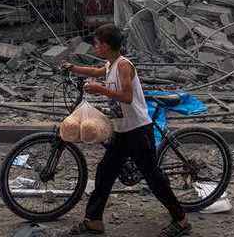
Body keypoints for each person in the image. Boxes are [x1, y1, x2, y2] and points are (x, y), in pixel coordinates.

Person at [60, 23, 192, 237]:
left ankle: (181, 219)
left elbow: (127, 97)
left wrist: (100, 89)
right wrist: (73, 68)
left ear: (105, 45)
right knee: (105, 172)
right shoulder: (110, 65)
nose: (95, 47)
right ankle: (94, 220)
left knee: (153, 177)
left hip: (137, 130)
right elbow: (95, 71)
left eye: (96, 44)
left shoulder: (123, 65)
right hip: (123, 131)